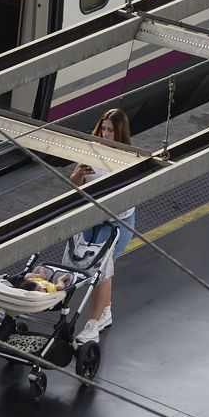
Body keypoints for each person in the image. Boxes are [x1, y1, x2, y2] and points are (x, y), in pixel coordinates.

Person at [70, 107, 136, 345]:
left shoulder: (127, 158)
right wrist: (79, 174)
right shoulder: (90, 149)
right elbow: (74, 183)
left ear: (120, 133)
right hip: (93, 218)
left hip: (118, 222)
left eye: (110, 130)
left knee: (102, 271)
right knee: (98, 269)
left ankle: (94, 322)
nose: (105, 134)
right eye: (103, 128)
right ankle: (105, 312)